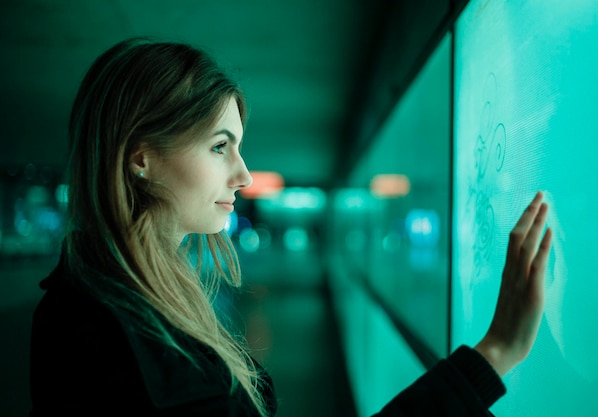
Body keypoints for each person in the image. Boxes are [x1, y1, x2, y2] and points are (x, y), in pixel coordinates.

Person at [29, 37, 553, 417]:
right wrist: (495, 354)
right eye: (219, 146)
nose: (244, 175)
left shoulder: (97, 304)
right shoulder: (119, 340)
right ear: (141, 157)